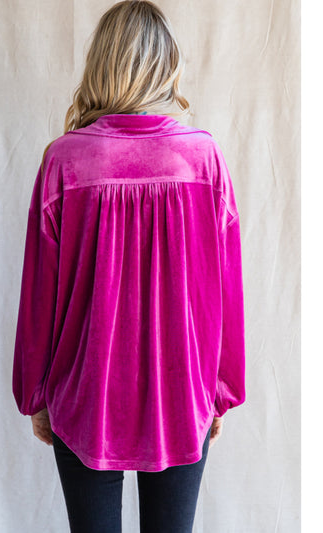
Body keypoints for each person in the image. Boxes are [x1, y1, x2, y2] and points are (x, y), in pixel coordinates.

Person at [12, 1, 246, 531]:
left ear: (101, 63)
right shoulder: (203, 159)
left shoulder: (64, 161)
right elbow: (226, 292)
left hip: (84, 396)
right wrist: (220, 391)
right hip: (183, 393)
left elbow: (39, 295)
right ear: (167, 67)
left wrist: (36, 394)